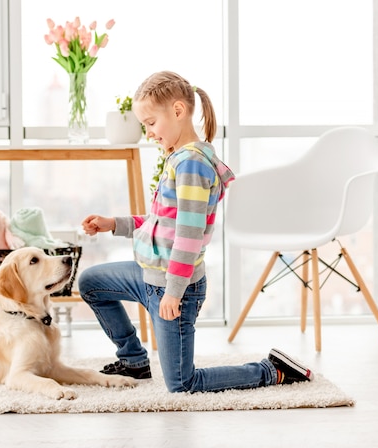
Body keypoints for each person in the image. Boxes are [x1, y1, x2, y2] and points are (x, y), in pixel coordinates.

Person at [79, 71, 314, 393]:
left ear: (178, 111)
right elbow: (162, 222)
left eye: (150, 123)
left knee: (182, 383)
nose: (148, 133)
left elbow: (187, 236)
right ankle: (133, 359)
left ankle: (271, 370)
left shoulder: (191, 164)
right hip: (149, 276)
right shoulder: (179, 159)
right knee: (91, 283)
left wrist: (174, 292)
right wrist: (114, 224)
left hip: (173, 287)